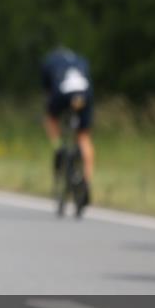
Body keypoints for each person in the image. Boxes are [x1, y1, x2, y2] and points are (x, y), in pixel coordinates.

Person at [41, 47, 95, 205]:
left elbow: (47, 89)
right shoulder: (81, 59)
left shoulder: (49, 61)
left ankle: (58, 147)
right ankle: (86, 180)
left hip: (62, 92)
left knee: (50, 118)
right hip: (84, 93)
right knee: (83, 136)